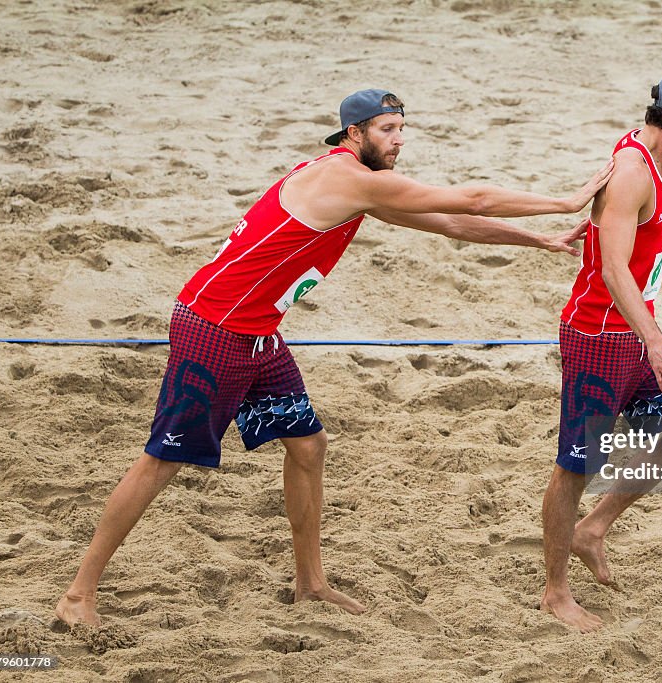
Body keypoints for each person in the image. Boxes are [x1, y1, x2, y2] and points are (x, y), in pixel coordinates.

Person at [56, 88, 614, 627]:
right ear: (354, 132)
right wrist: (564, 201)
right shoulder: (342, 178)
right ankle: (79, 592)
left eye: (402, 130)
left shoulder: (364, 184)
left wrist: (535, 240)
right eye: (387, 130)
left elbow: (448, 222)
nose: (398, 141)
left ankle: (310, 582)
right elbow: (472, 198)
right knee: (162, 462)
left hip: (257, 332)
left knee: (307, 445)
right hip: (215, 329)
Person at [540, 73, 662, 632]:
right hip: (599, 336)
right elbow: (610, 268)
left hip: (637, 326)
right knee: (576, 467)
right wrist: (656, 344)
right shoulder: (632, 173)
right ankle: (556, 592)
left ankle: (593, 529)